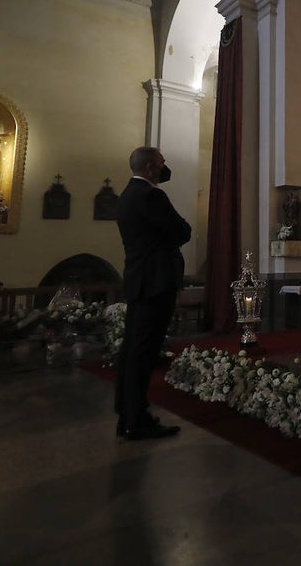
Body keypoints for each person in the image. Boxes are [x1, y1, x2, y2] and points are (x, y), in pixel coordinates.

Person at [114, 146, 192, 440]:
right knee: (144, 352)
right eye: (161, 163)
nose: (164, 168)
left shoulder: (127, 196)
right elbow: (182, 230)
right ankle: (137, 420)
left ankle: (127, 415)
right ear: (149, 167)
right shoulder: (150, 195)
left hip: (139, 280)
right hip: (156, 282)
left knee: (133, 350)